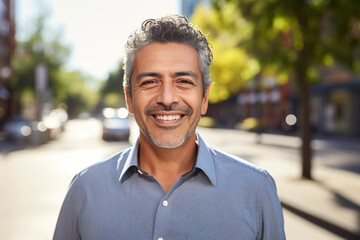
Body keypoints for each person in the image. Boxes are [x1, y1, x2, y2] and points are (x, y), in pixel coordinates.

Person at [53, 15, 285, 240]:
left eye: (183, 81)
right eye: (150, 82)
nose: (166, 98)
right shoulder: (85, 188)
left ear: (204, 98)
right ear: (129, 99)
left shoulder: (256, 190)